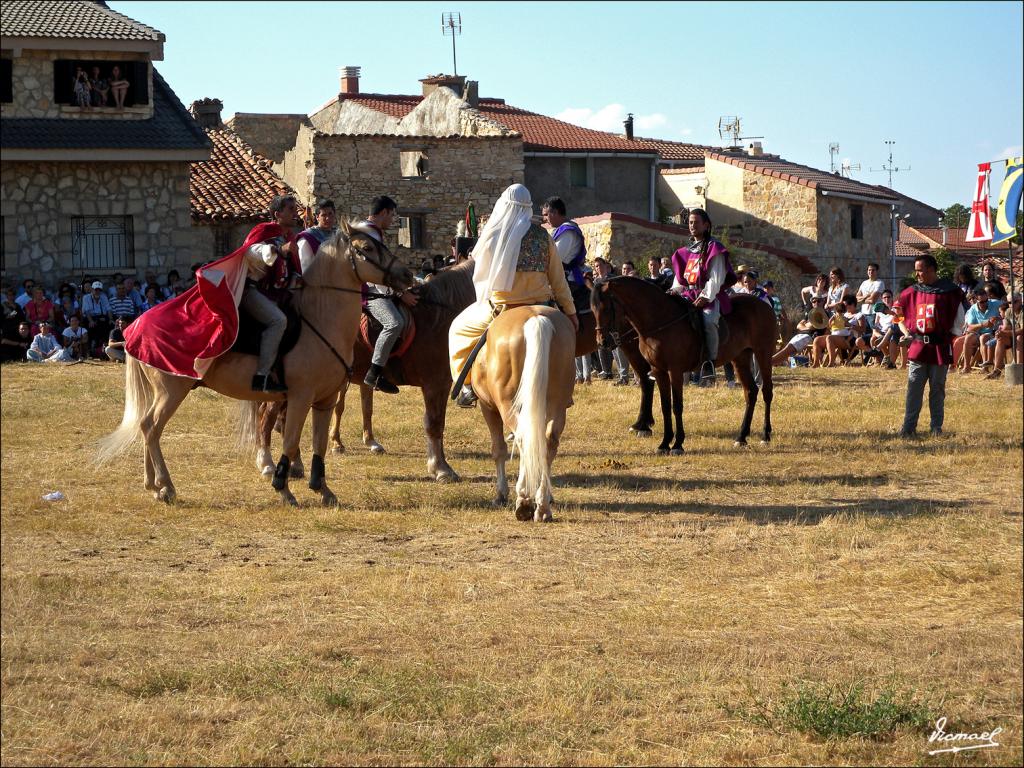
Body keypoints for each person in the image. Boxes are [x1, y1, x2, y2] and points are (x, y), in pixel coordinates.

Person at [448, 183, 578, 407]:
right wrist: (571, 311)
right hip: (542, 305)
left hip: (501, 309)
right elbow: (558, 281)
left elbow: (479, 270)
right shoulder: (543, 236)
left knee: (457, 329)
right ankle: (564, 392)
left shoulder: (493, 234)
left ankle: (468, 386)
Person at [893, 254, 965, 438]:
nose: (917, 274)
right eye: (916, 270)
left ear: (931, 269)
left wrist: (949, 339)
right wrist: (907, 333)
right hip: (918, 347)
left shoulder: (950, 292)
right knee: (914, 389)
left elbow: (959, 321)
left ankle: (936, 428)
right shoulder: (911, 293)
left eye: (920, 270)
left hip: (939, 348)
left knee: (937, 390)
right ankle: (908, 428)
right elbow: (897, 316)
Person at [356, 195, 418, 394]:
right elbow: (376, 276)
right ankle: (374, 372)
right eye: (392, 215)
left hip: (376, 287)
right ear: (383, 213)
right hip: (368, 291)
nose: (393, 220)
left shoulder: (373, 232)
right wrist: (401, 294)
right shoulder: (370, 234)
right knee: (394, 323)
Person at [241, 194, 301, 392]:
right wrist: (277, 249)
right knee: (278, 321)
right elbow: (250, 253)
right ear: (277, 214)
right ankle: (262, 377)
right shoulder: (264, 231)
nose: (295, 213)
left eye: (295, 208)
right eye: (291, 209)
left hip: (278, 295)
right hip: (253, 292)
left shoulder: (290, 238)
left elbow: (290, 272)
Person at [668, 208, 735, 378]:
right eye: (690, 222)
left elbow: (716, 277)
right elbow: (680, 280)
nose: (692, 225)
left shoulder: (714, 248)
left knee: (709, 319)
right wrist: (674, 290)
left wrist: (705, 297)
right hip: (687, 295)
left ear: (706, 225)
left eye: (696, 222)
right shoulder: (684, 252)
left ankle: (709, 363)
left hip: (709, 296)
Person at [542, 196, 588, 303]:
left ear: (555, 212)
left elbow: (555, 258)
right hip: (560, 277)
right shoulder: (561, 230)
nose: (544, 218)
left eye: (546, 214)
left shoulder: (567, 231)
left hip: (568, 281)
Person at [771, 296, 828, 366]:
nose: (816, 303)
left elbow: (816, 326)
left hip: (812, 337)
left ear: (823, 302)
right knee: (788, 348)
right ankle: (787, 364)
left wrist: (807, 325)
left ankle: (770, 361)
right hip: (802, 334)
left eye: (819, 301)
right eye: (814, 301)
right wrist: (807, 327)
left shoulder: (825, 314)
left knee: (789, 348)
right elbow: (799, 326)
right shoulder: (810, 313)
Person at [962, 289, 1002, 372]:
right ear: (976, 300)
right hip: (979, 332)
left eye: (986, 300)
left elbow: (1008, 310)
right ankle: (967, 366)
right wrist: (982, 324)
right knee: (968, 338)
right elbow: (969, 327)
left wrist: (999, 318)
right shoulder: (973, 309)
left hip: (994, 332)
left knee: (983, 337)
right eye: (982, 302)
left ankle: (985, 367)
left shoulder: (996, 303)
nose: (985, 303)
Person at [986, 292, 1023, 379]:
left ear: (1021, 301)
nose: (1012, 305)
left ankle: (1019, 370)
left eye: (1015, 302)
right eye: (1009, 303)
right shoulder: (1008, 311)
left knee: (1019, 337)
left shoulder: (1022, 312)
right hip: (1014, 337)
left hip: (1020, 337)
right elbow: (1006, 327)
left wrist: (1005, 332)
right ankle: (997, 370)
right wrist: (1000, 332)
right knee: (1001, 339)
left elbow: (1022, 330)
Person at [296, 198, 338, 273]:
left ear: (334, 214)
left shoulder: (339, 234)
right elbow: (304, 267)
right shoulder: (308, 238)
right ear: (317, 217)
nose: (328, 218)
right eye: (324, 215)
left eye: (330, 214)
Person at [81, 280, 112, 357]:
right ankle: (91, 349)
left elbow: (108, 309)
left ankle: (103, 348)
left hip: (102, 317)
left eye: (99, 290)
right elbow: (87, 311)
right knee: (91, 326)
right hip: (91, 317)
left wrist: (111, 319)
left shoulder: (103, 297)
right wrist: (91, 320)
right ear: (92, 289)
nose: (97, 291)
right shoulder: (86, 297)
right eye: (96, 289)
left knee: (109, 325)